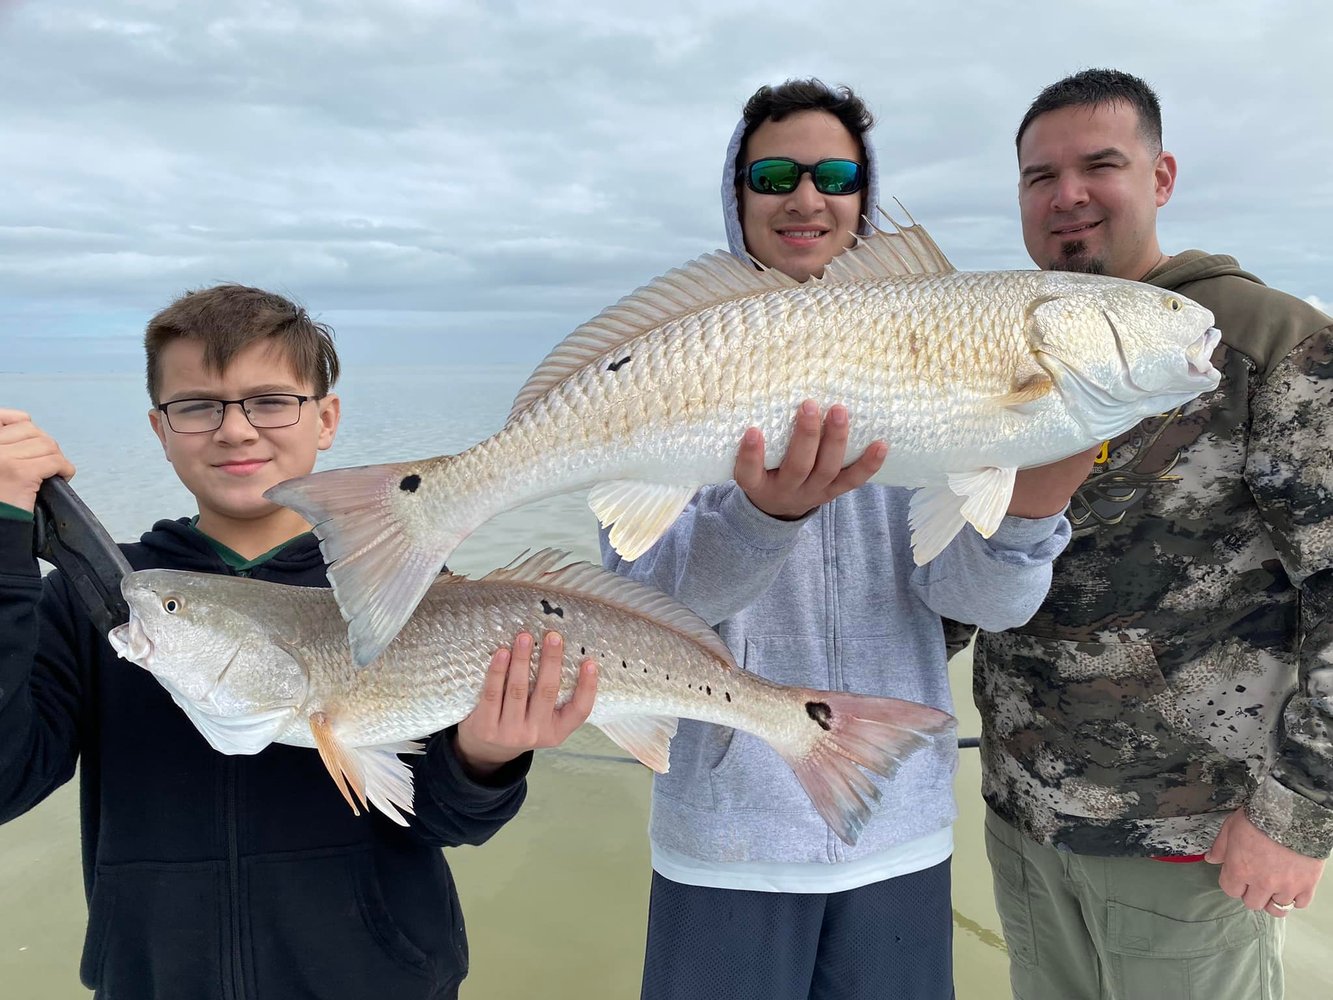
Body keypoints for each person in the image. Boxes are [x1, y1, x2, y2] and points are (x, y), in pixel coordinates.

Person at [602, 78, 1095, 1000]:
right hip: (727, 839)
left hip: (894, 825)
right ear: (736, 195)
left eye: (834, 174)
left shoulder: (944, 351)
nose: (805, 197)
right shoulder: (665, 358)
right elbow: (644, 610)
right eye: (773, 174)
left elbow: (975, 600)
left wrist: (1028, 513)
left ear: (864, 196)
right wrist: (762, 520)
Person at [0, 284, 597, 1000]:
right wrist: (7, 537)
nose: (236, 431)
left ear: (326, 418)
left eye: (271, 400)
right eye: (197, 406)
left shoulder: (404, 585)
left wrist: (489, 756)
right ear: (159, 430)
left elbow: (445, 821)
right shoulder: (101, 600)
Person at [974, 68, 1333, 1000]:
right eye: (1038, 177)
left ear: (1161, 176)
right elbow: (967, 562)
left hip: (1195, 842)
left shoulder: (1265, 339)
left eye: (1100, 164)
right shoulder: (1009, 344)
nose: (1068, 196)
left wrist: (1296, 816)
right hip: (1023, 825)